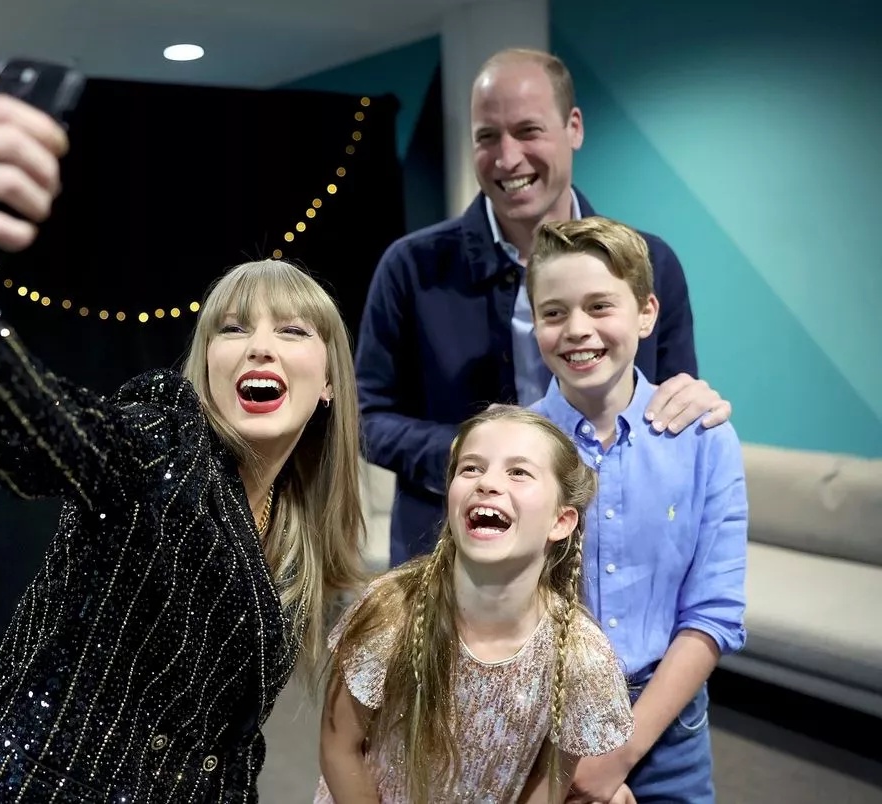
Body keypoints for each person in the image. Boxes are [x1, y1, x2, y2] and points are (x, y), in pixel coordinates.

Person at [0, 73, 367, 803]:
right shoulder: (162, 438)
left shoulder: (293, 530)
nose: (258, 347)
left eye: (291, 331)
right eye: (232, 330)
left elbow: (222, 746)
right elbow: (36, 428)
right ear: (205, 365)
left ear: (328, 382)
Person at [354, 47, 732, 567]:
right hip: (447, 560)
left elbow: (670, 406)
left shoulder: (652, 263)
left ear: (573, 127)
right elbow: (365, 417)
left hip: (611, 562)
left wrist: (694, 402)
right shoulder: (410, 267)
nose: (507, 158)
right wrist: (472, 455)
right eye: (487, 137)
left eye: (528, 131)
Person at [525, 217, 748, 804]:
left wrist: (618, 754)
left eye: (601, 306)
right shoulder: (511, 443)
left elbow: (715, 613)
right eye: (553, 313)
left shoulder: (705, 440)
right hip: (538, 726)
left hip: (669, 729)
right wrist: (572, 758)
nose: (577, 330)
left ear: (646, 313)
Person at [315, 405, 638, 804]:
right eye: (470, 468)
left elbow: (549, 786)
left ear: (562, 521)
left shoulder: (580, 656)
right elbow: (339, 745)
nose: (487, 483)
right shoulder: (391, 610)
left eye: (518, 472)